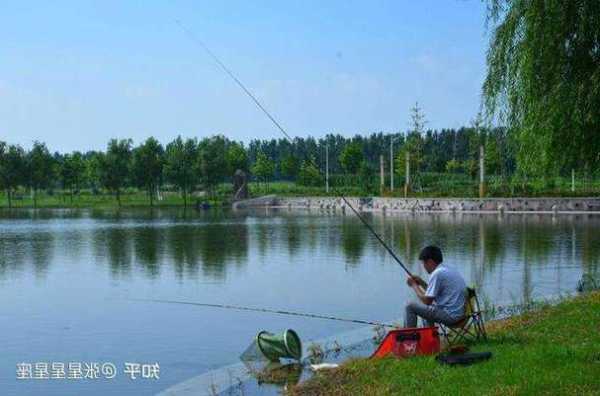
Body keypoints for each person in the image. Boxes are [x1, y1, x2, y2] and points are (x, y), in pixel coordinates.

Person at [404, 245, 466, 328]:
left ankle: (409, 338)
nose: (424, 266)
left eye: (424, 263)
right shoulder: (446, 269)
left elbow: (427, 301)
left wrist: (414, 285)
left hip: (451, 316)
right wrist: (421, 282)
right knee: (427, 308)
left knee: (410, 306)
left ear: (430, 262)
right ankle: (430, 337)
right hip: (459, 314)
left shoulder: (437, 273)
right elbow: (432, 295)